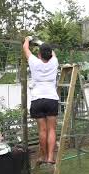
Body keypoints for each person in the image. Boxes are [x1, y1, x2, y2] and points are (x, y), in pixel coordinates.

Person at [23, 36, 59, 165]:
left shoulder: (34, 61)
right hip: (51, 99)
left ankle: (43, 156)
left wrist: (28, 39)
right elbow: (51, 52)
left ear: (39, 54)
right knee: (52, 130)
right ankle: (50, 157)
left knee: (42, 130)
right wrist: (41, 43)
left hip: (37, 100)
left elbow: (25, 48)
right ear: (50, 54)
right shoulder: (54, 61)